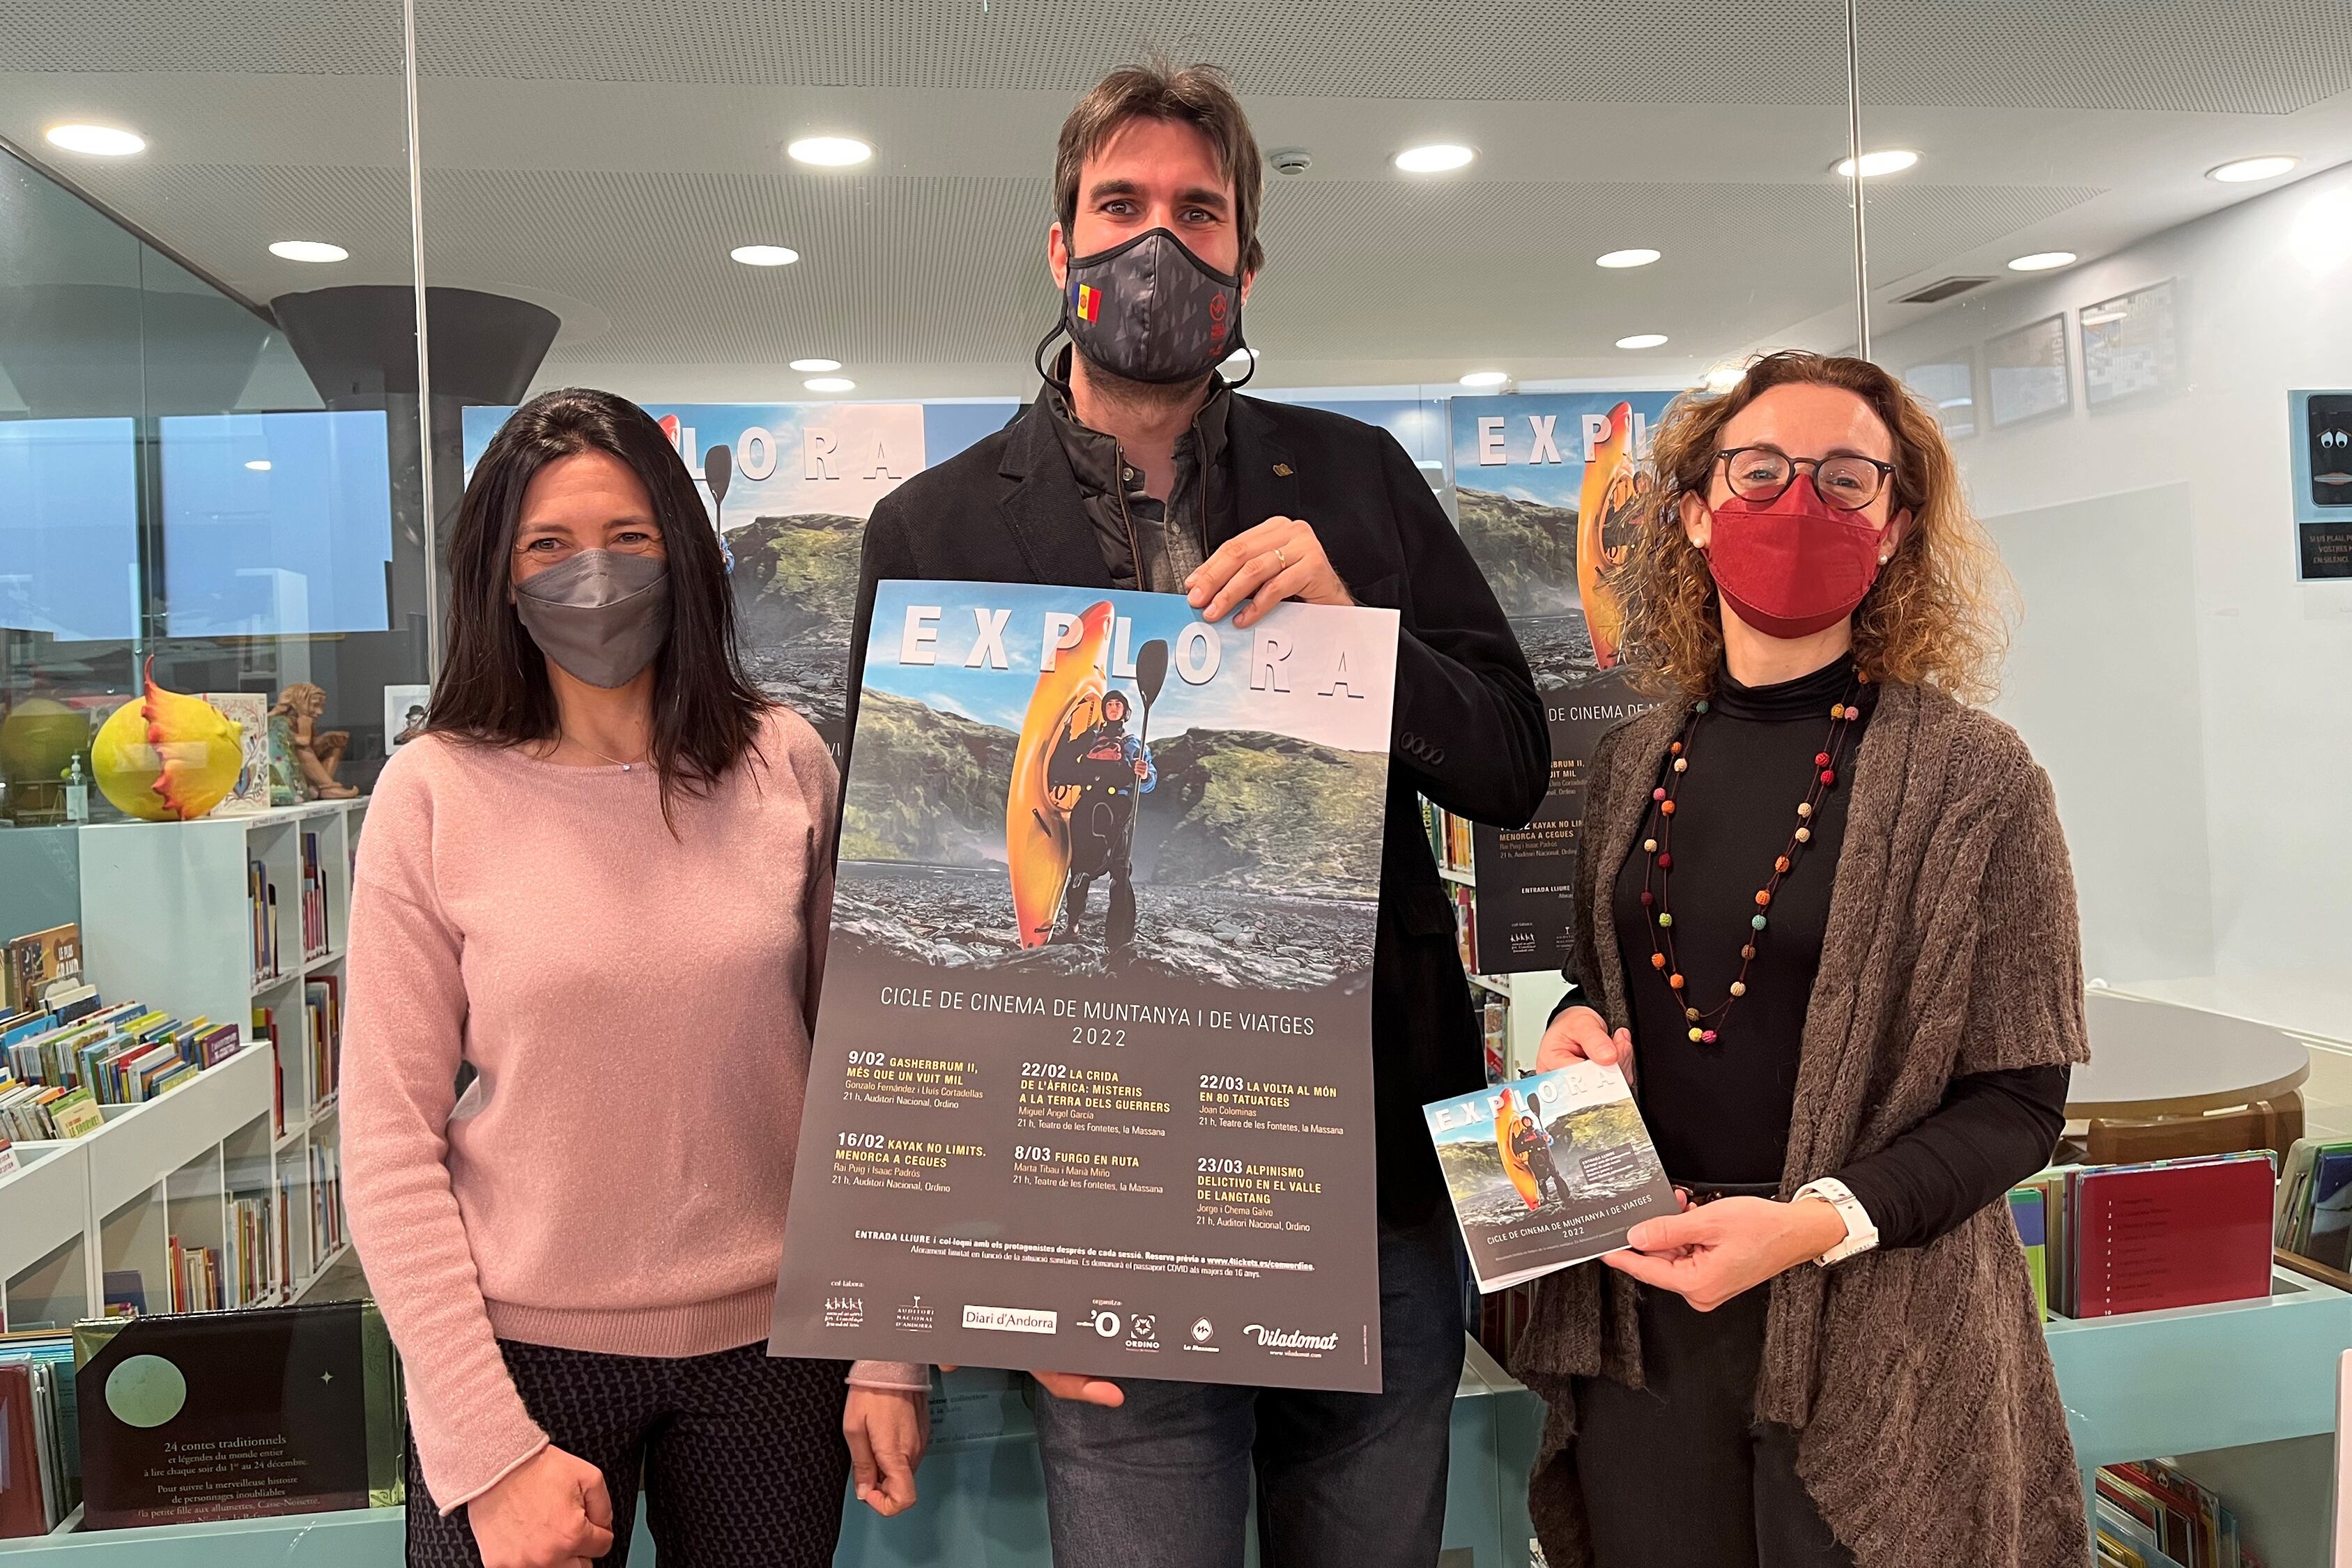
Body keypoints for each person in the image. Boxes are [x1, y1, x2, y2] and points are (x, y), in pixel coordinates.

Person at [844, 60, 1546, 1568]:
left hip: (1366, 1208)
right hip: (1088, 1216)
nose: (1154, 244)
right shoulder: (937, 526)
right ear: (1059, 248)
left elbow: (1512, 765)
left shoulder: (1356, 482)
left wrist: (1358, 634)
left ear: (1243, 262)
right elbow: (880, 949)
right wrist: (915, 1309)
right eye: (1118, 206)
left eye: (1196, 213)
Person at [1510, 351, 2089, 1568]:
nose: (1798, 505)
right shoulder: (1628, 762)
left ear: (1895, 529)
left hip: (1883, 1333)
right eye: (1760, 472)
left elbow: (2022, 1104)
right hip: (1648, 1318)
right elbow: (1610, 986)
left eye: (1846, 480)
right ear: (1694, 511)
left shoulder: (1981, 780)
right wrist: (1568, 1022)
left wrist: (1813, 1224)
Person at [341, 387, 929, 1568]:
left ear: (686, 553)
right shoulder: (435, 793)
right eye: (547, 547)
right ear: (496, 577)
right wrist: (484, 1445)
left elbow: (878, 1079)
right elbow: (389, 1143)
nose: (591, 578)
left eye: (628, 540)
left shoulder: (789, 765)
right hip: (517, 1361)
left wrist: (888, 1346)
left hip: (775, 1355)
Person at [1049, 687, 1156, 954]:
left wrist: (1144, 775)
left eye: (1119, 704)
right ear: (1104, 709)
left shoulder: (1134, 744)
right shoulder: (1090, 739)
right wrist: (1066, 728)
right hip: (1088, 808)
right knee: (1081, 870)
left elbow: (1150, 780)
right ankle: (1072, 926)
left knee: (1120, 873)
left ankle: (1119, 942)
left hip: (1117, 812)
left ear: (1126, 712)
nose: (1114, 707)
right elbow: (1060, 763)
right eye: (1110, 703)